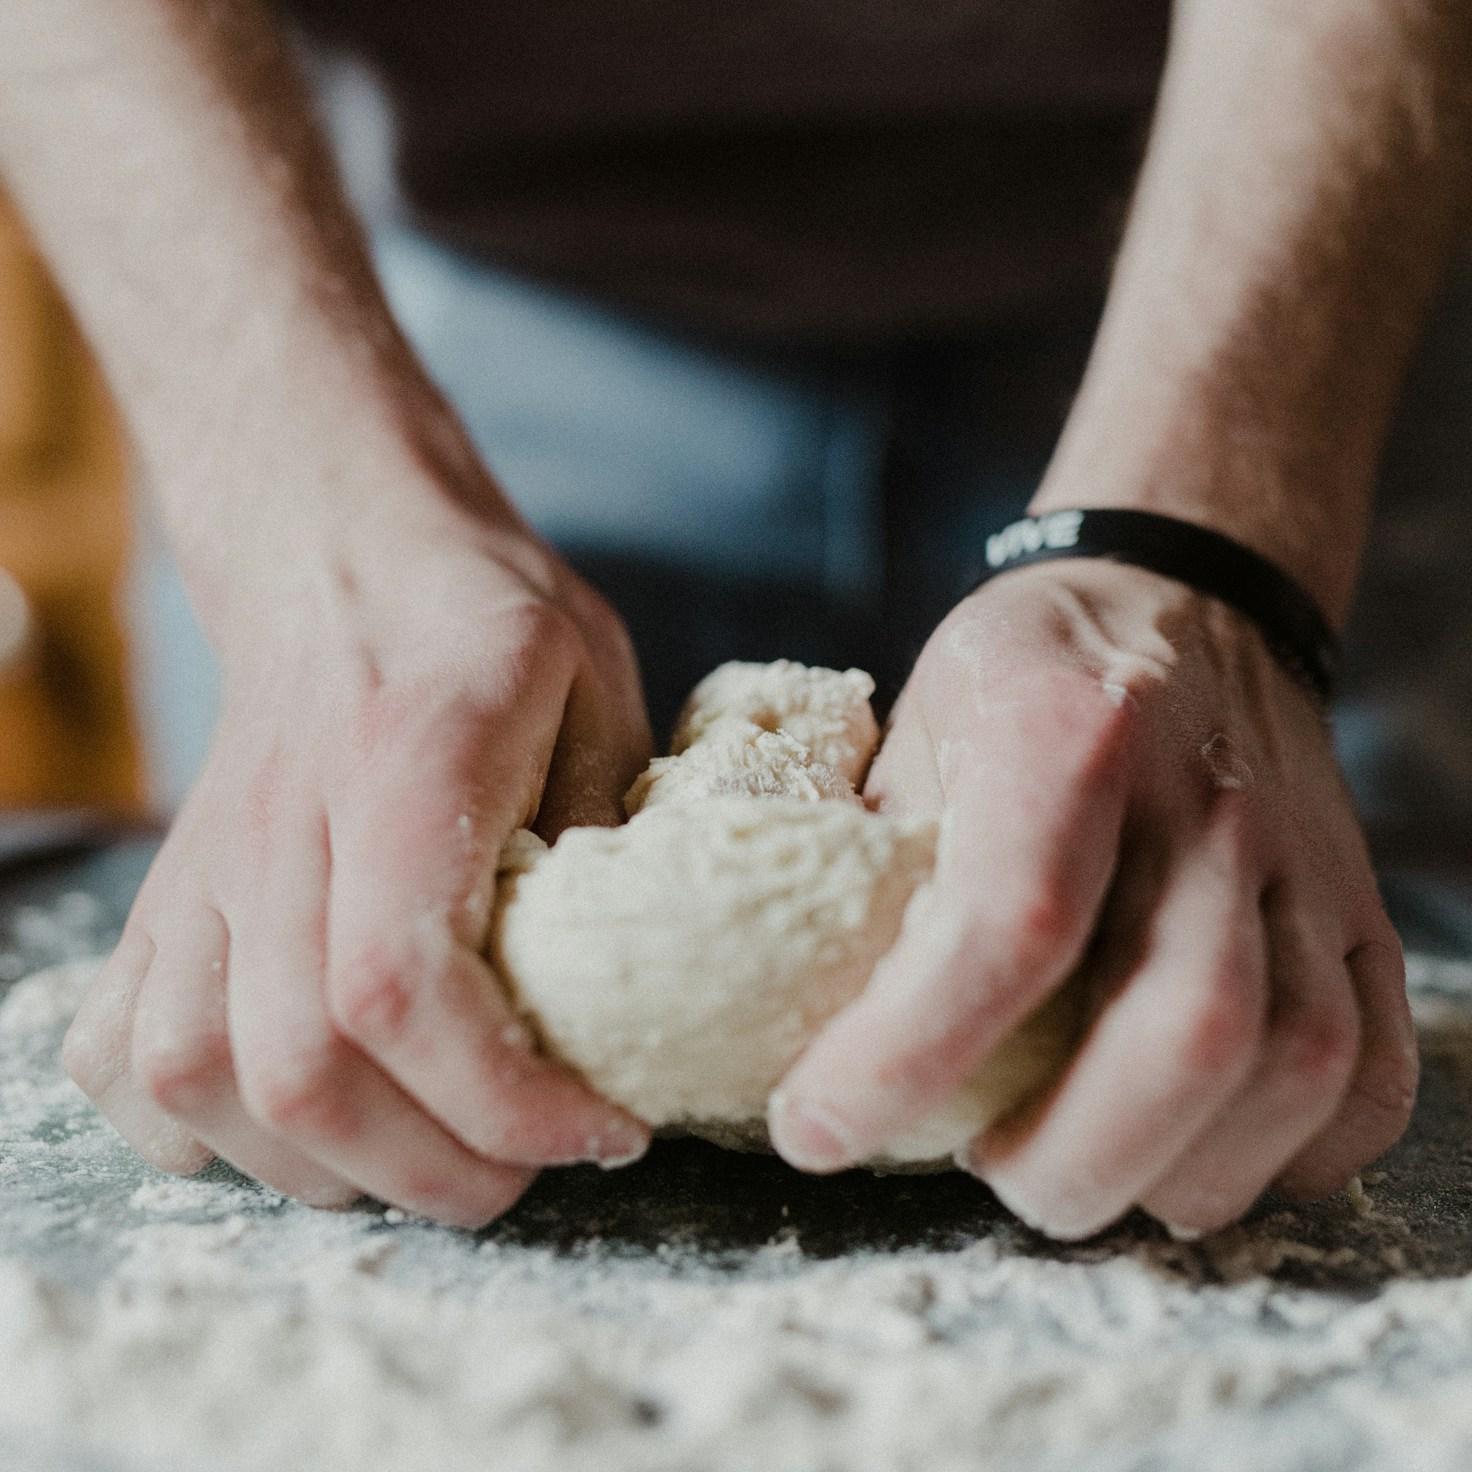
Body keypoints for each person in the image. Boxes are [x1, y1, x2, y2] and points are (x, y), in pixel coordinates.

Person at [2, 0, 1465, 1239]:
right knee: (352, 980)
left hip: (1295, 220)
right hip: (435, 285)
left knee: (1243, 1024)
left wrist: (1208, 536)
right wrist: (313, 521)